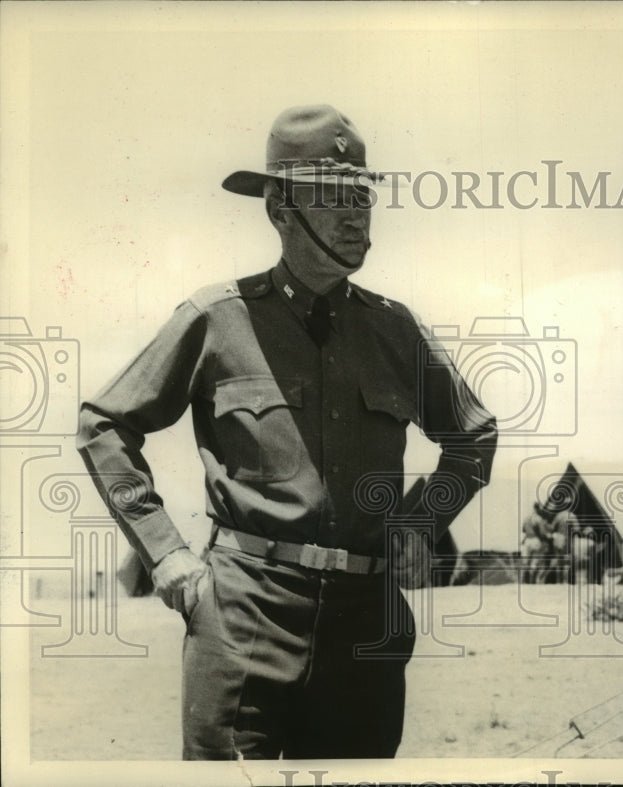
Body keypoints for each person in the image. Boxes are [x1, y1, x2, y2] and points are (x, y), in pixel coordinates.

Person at [77, 104, 498, 759]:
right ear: (280, 209)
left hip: (365, 625)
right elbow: (105, 424)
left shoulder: (395, 330)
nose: (356, 216)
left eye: (362, 197)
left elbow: (473, 436)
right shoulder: (218, 318)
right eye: (333, 199)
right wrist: (163, 552)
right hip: (245, 615)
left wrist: (419, 522)